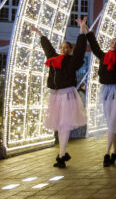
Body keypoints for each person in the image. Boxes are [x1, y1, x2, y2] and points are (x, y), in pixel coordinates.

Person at [31, 18, 88, 168]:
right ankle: (63, 153)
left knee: (64, 125)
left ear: (70, 50)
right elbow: (48, 48)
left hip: (68, 95)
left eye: (66, 47)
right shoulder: (54, 59)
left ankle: (62, 155)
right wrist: (40, 34)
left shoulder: (72, 61)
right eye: (62, 47)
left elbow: (81, 50)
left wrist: (81, 31)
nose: (63, 49)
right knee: (61, 126)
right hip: (56, 96)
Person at [85, 17, 116, 167]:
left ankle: (107, 154)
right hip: (106, 91)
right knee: (110, 125)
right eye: (113, 43)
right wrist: (87, 30)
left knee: (112, 123)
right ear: (109, 44)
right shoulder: (103, 56)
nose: (114, 45)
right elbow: (94, 46)